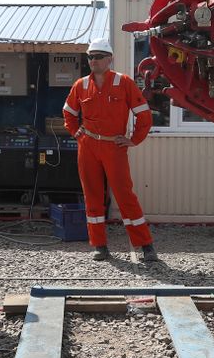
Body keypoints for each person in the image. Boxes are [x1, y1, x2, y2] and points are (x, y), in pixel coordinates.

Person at [62, 38, 158, 261]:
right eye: (90, 56)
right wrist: (76, 133)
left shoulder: (124, 83)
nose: (93, 60)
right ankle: (99, 245)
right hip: (88, 147)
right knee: (92, 196)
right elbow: (68, 113)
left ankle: (145, 245)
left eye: (98, 56)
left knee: (125, 195)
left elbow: (144, 114)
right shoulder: (80, 85)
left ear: (109, 59)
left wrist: (133, 140)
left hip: (113, 147)